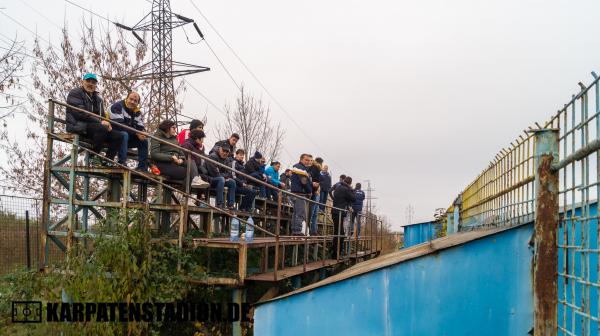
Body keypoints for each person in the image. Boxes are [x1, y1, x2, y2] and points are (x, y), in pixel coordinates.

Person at [66, 73, 123, 166]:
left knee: (118, 136)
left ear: (95, 85)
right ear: (82, 82)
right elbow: (80, 113)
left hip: (94, 127)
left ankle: (108, 160)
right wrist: (101, 122)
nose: (90, 84)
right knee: (102, 128)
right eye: (88, 81)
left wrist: (107, 123)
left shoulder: (98, 99)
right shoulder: (75, 93)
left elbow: (103, 116)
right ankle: (93, 157)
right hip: (79, 124)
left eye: (93, 82)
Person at [150, 120, 205, 191]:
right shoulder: (157, 137)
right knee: (189, 172)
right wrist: (171, 157)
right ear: (167, 128)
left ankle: (195, 181)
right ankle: (187, 195)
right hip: (162, 164)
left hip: (174, 163)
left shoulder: (174, 139)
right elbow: (154, 154)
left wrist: (181, 159)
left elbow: (180, 152)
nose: (175, 130)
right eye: (173, 128)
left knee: (191, 162)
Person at [108, 91, 148, 171]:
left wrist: (142, 133)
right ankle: (122, 163)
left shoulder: (137, 112)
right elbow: (119, 126)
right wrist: (136, 133)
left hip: (127, 138)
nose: (132, 102)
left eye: (135, 101)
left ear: (138, 103)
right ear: (126, 98)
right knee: (124, 134)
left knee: (144, 140)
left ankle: (142, 167)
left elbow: (140, 127)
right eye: (131, 99)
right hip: (112, 135)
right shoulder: (117, 106)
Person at [331, 176, 356, 258]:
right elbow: (353, 198)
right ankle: (336, 254)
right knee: (340, 234)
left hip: (335, 211)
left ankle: (336, 253)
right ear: (350, 183)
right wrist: (352, 189)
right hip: (339, 212)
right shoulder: (346, 189)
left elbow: (344, 199)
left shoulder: (338, 187)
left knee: (337, 233)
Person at [290, 154, 313, 236]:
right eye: (306, 160)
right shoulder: (300, 167)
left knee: (297, 213)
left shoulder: (302, 168)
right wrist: (310, 191)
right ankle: (297, 231)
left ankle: (295, 230)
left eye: (309, 160)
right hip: (299, 193)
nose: (308, 162)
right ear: (301, 159)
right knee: (300, 213)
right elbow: (304, 181)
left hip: (298, 192)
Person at [308, 157, 323, 235]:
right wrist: (316, 189)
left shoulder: (318, 170)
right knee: (312, 213)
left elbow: (318, 181)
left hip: (317, 193)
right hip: (313, 193)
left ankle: (314, 231)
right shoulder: (314, 168)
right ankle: (309, 230)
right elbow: (312, 180)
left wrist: (318, 188)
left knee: (315, 214)